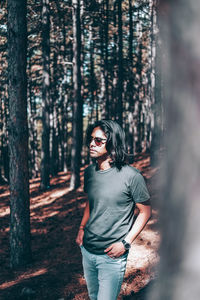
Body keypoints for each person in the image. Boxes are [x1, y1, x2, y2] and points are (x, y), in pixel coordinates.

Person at [76, 120, 151, 300]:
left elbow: (145, 212)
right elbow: (91, 202)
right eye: (91, 139)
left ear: (113, 143)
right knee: (93, 296)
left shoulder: (132, 176)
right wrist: (81, 228)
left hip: (111, 256)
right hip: (87, 249)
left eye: (99, 140)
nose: (92, 144)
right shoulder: (89, 172)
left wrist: (125, 243)